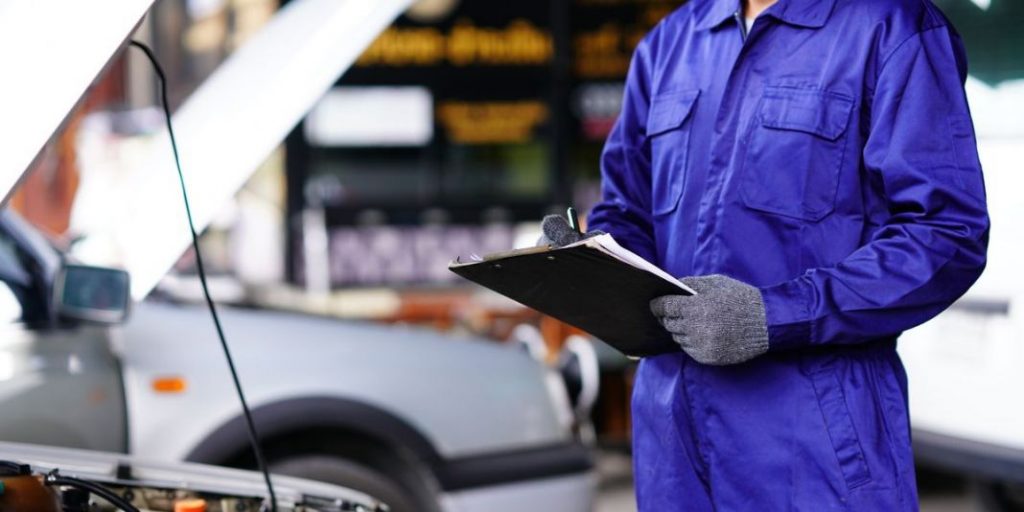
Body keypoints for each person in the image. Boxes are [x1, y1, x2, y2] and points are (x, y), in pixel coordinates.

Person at [541, 0, 989, 509]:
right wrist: (591, 262)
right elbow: (627, 209)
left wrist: (773, 315)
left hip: (816, 442)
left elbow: (946, 234)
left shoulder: (890, 27)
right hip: (672, 440)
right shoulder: (671, 43)